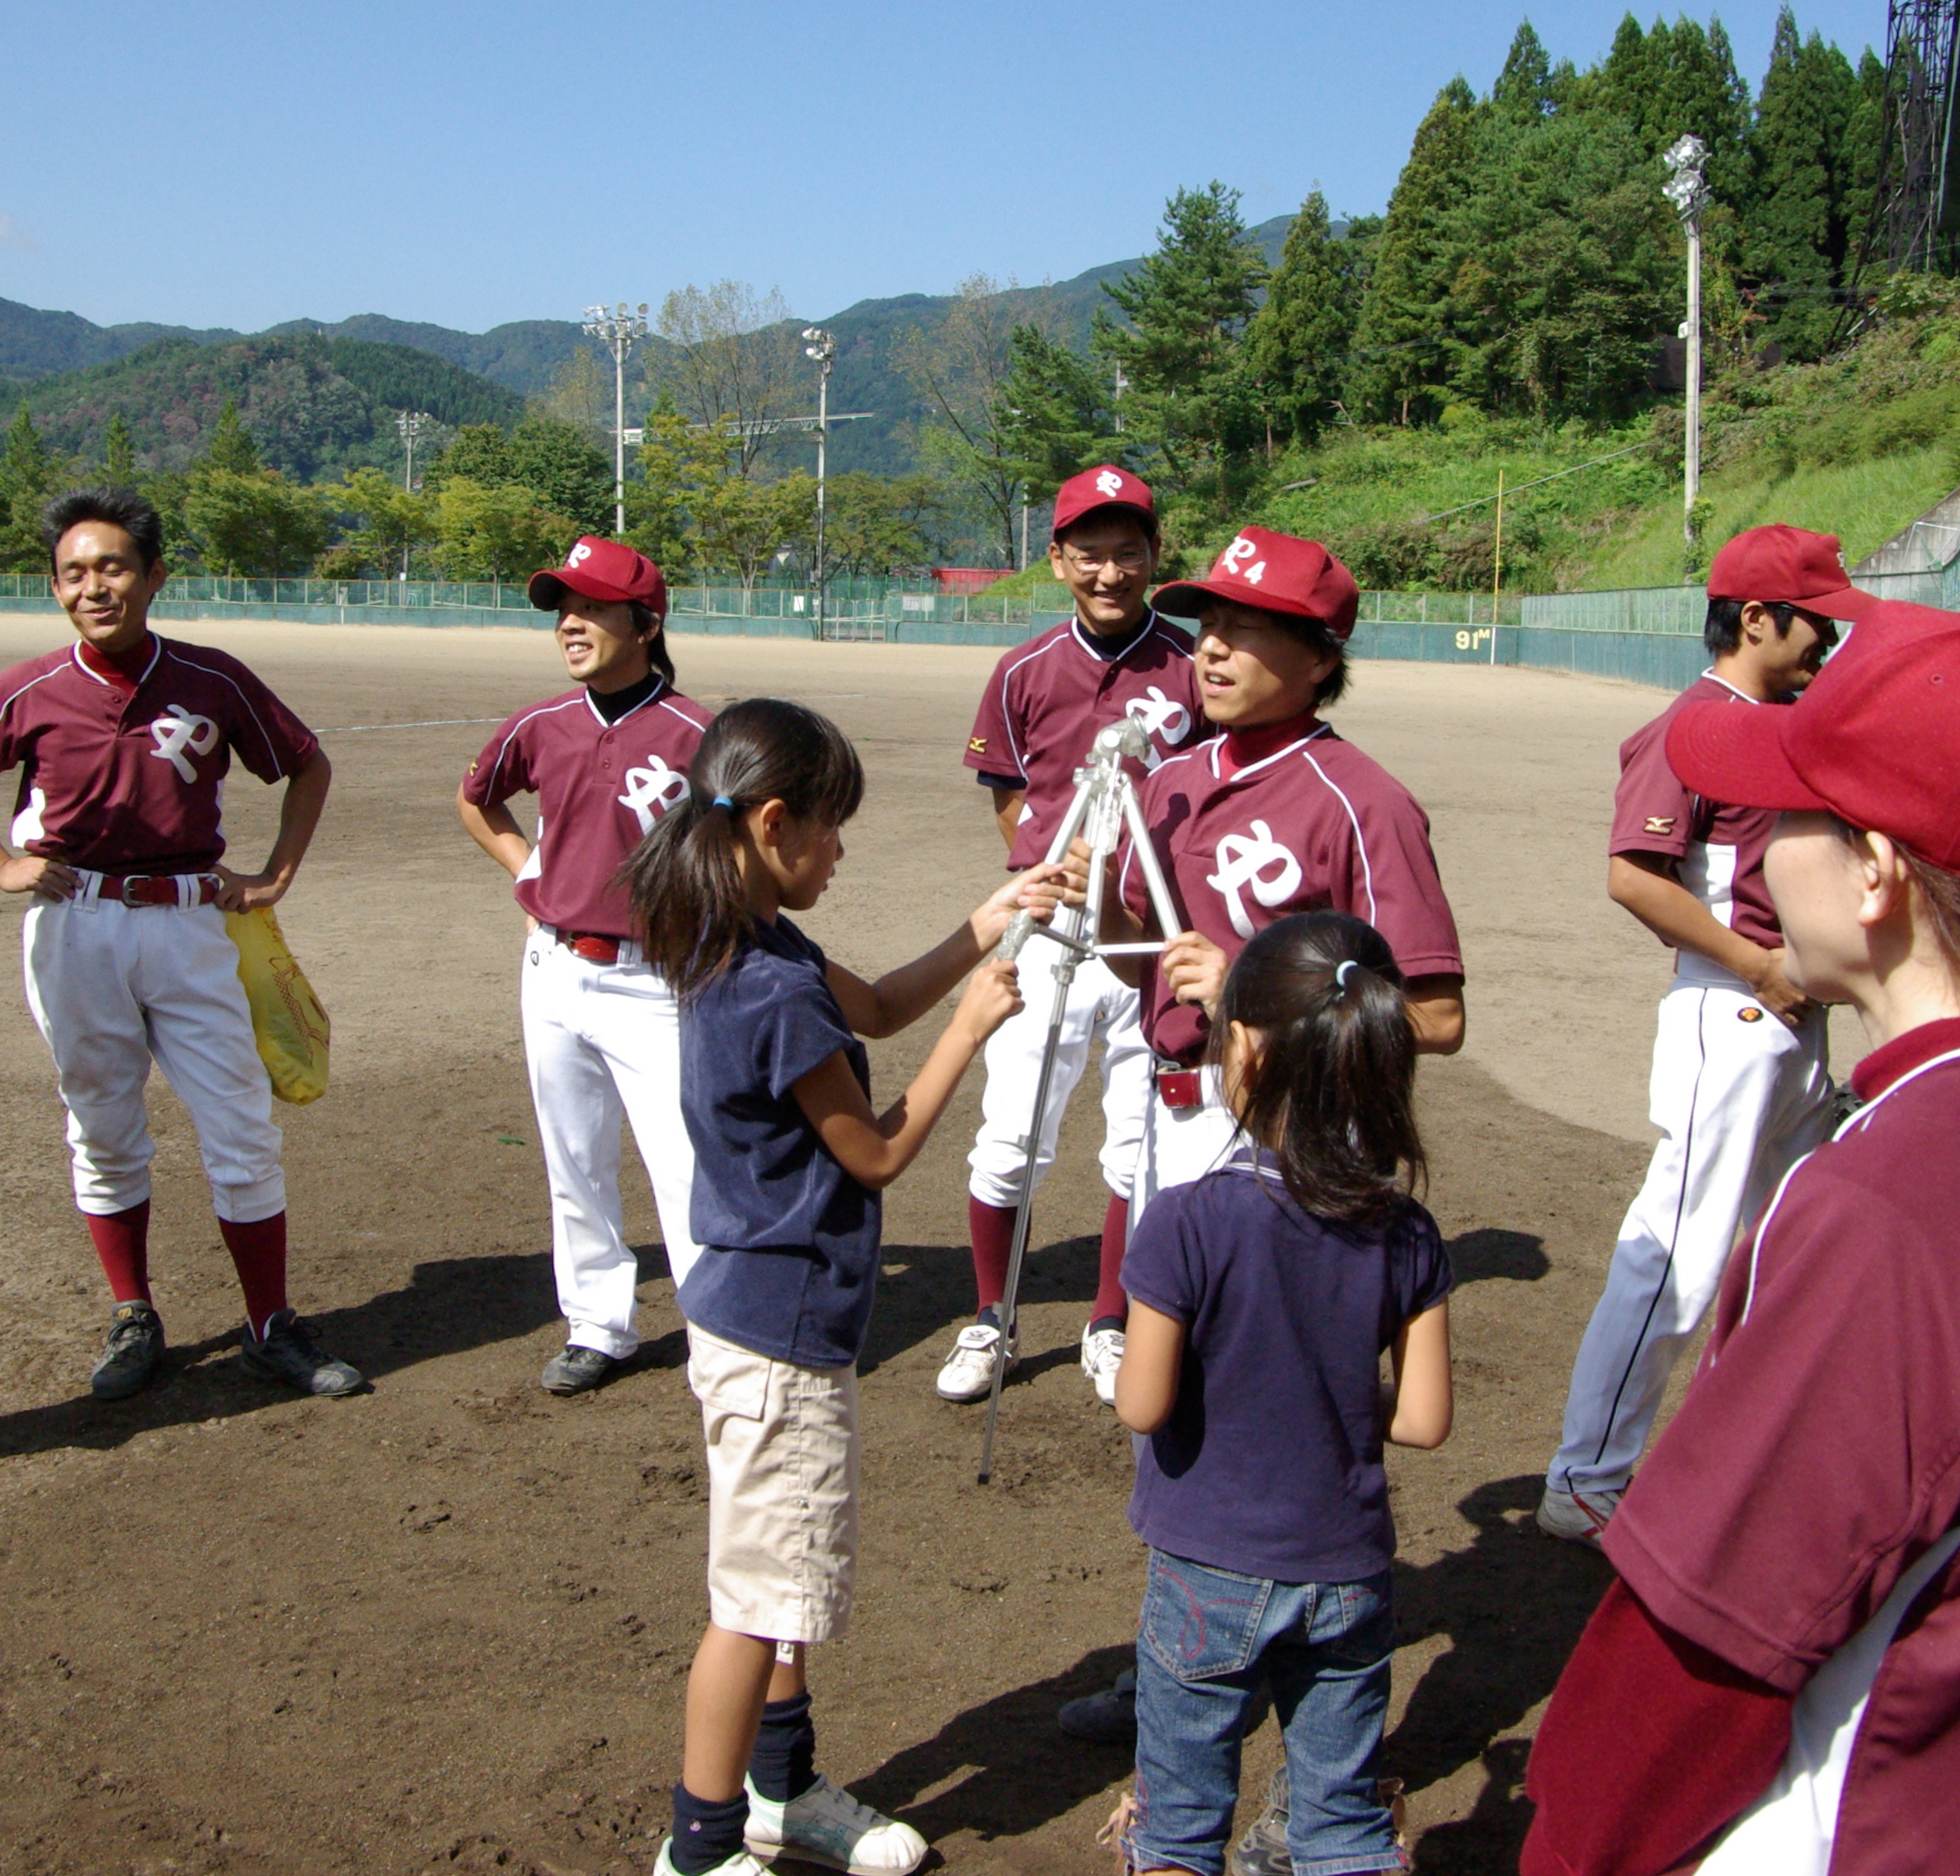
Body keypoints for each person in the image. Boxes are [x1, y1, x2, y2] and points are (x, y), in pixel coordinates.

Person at [1516, 603, 1960, 1876]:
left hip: (1830, 1824)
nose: (1765, 841)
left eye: (1791, 813)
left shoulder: (1898, 1202)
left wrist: (1568, 1848)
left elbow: (1703, 1652)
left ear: (1878, 870)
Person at [624, 698, 1049, 1876]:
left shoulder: (748, 937)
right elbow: (876, 1153)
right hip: (779, 1334)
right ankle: (703, 1846)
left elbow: (877, 1008)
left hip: (761, 1317)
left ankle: (784, 1786)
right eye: (830, 827)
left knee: (785, 1582)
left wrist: (987, 923)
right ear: (771, 824)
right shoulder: (768, 987)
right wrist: (973, 1030)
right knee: (755, 1606)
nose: (841, 850)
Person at [0, 487, 360, 1403]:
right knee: (102, 1121)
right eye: (73, 573)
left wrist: (275, 874)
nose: (94, 587)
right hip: (75, 923)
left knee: (240, 1124)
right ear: (55, 588)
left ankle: (269, 1325)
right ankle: (133, 1312)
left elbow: (306, 763)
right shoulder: (32, 687)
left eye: (112, 567)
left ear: (153, 576)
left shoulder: (211, 677)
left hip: (191, 923)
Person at [1540, 524, 1875, 1545]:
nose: (1829, 639)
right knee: (1678, 1254)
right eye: (1815, 620)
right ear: (1757, 618)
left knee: (1800, 1247)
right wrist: (1755, 966)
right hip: (1726, 1012)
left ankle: (1761, 1458)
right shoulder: (1692, 725)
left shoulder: (1790, 722)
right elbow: (1632, 876)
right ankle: (1584, 1477)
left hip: (1792, 1026)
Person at [1111, 912, 1454, 1876]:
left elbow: (1141, 1404)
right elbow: (1422, 1419)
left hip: (1205, 1566)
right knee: (1339, 1824)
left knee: (1177, 1826)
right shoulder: (1407, 1232)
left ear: (1244, 1049)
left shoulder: (1184, 1221)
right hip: (1346, 1572)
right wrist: (1330, 1391)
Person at [1096, 526, 1466, 1212]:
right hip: (1167, 1113)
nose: (1211, 647)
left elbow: (1437, 1018)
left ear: (1321, 658)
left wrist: (1246, 997)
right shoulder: (1170, 781)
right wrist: (1096, 894)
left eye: (1244, 628)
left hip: (1297, 1119)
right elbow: (1139, 971)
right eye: (1208, 624)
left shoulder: (1365, 802)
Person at [941, 462, 1207, 1408]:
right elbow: (1008, 796)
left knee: (1139, 1142)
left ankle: (1108, 1321)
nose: (1108, 572)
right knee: (1011, 1134)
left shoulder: (1193, 666)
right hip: (1048, 928)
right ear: (1055, 560)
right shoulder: (1022, 669)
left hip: (1151, 934)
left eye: (1126, 551)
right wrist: (1048, 874)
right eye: (1088, 553)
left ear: (1153, 554)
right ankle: (990, 1316)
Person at [459, 535, 714, 1395]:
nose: (570, 623)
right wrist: (527, 870)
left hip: (658, 979)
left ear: (646, 624)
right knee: (574, 1160)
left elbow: (751, 843)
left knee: (685, 1163)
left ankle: (716, 1329)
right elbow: (476, 799)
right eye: (562, 609)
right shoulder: (540, 725)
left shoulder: (699, 734)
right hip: (555, 968)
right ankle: (599, 1326)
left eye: (593, 608)